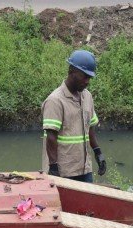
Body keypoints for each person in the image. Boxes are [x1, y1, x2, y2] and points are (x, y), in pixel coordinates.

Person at [41, 50, 107, 182]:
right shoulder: (55, 100)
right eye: (84, 76)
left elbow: (90, 128)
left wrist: (98, 152)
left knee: (87, 202)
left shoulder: (87, 96)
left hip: (84, 168)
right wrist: (53, 168)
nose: (87, 81)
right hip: (63, 171)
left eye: (90, 78)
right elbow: (51, 136)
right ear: (71, 71)